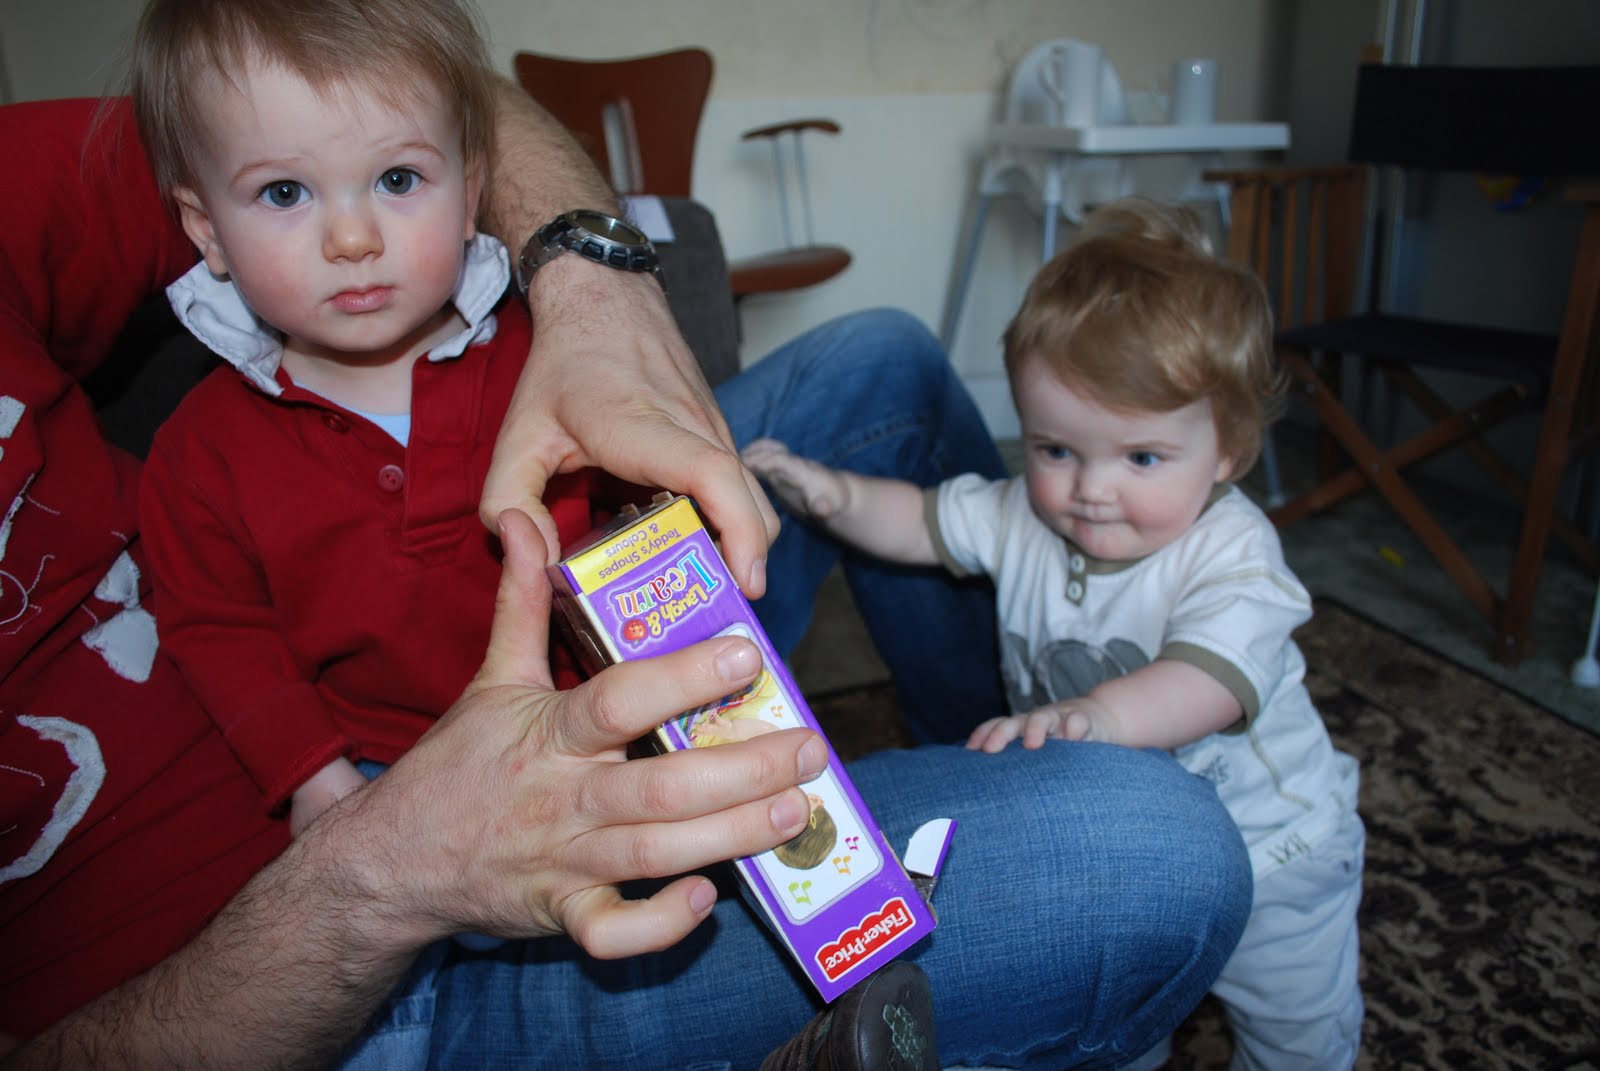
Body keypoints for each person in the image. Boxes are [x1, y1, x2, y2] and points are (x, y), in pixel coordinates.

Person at [0, 69, 1254, 1071]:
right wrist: (319, 784)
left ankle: (985, 737)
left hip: (596, 706)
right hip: (373, 817)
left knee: (880, 359)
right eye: (284, 196)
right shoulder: (201, 451)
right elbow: (219, 628)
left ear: (469, 184)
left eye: (398, 180)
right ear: (203, 230)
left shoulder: (513, 354)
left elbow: (621, 535)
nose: (351, 234)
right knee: (1147, 850)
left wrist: (597, 310)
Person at [743, 197, 1366, 1070]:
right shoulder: (1023, 516)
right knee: (1121, 1001)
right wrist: (835, 495)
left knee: (1297, 1029)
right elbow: (919, 520)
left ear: (1228, 448)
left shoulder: (1233, 552)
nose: (1091, 490)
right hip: (1123, 846)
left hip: (1277, 851)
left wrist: (1101, 717)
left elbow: (1209, 680)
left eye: (1141, 457)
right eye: (1056, 450)